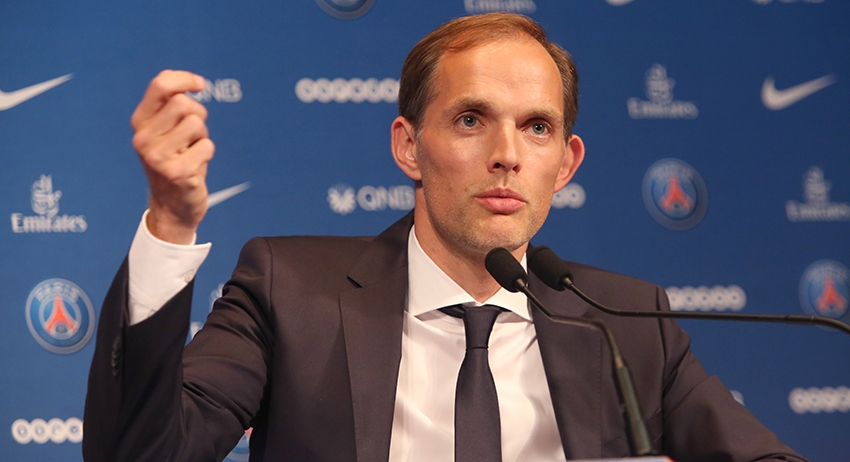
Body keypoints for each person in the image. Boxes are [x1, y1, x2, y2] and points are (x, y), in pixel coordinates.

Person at [83, 13, 806, 462]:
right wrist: (171, 223)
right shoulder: (290, 291)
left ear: (565, 165)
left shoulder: (627, 322)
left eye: (537, 127)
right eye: (470, 120)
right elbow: (140, 454)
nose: (507, 155)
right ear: (408, 147)